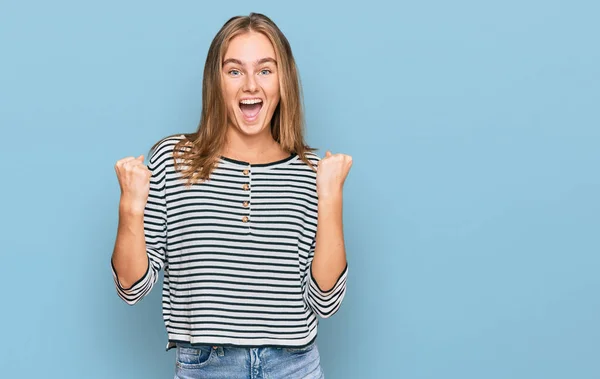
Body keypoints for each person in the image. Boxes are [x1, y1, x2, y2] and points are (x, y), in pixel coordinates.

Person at [111, 12, 352, 379]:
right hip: (206, 367)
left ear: (283, 80)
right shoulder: (173, 160)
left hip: (295, 366)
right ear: (216, 81)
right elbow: (131, 287)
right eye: (235, 70)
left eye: (265, 70)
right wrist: (130, 206)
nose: (250, 86)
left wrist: (331, 197)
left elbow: (326, 300)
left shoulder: (311, 172)